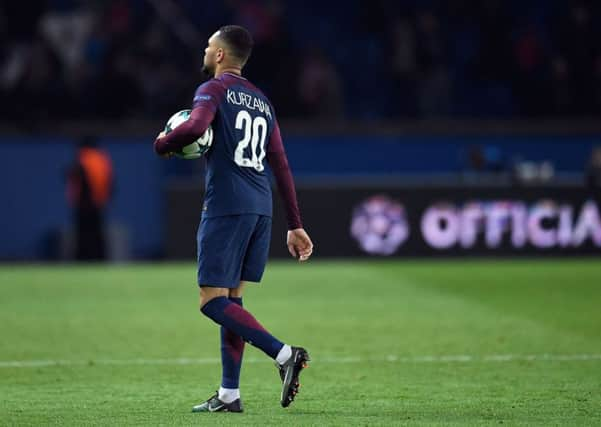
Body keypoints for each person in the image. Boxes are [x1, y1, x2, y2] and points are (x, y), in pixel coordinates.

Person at [153, 25, 314, 413]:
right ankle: (229, 395)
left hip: (226, 206)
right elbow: (282, 165)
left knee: (211, 302)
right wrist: (295, 223)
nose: (205, 52)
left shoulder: (212, 89)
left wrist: (163, 143)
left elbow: (193, 126)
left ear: (221, 55)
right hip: (261, 208)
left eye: (209, 46)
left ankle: (284, 354)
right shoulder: (262, 100)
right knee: (233, 301)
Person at [66, 136, 113, 260]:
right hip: (99, 204)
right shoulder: (102, 159)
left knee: (83, 236)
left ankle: (83, 259)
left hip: (84, 204)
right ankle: (100, 258)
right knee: (97, 236)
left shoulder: (83, 158)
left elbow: (78, 179)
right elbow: (110, 182)